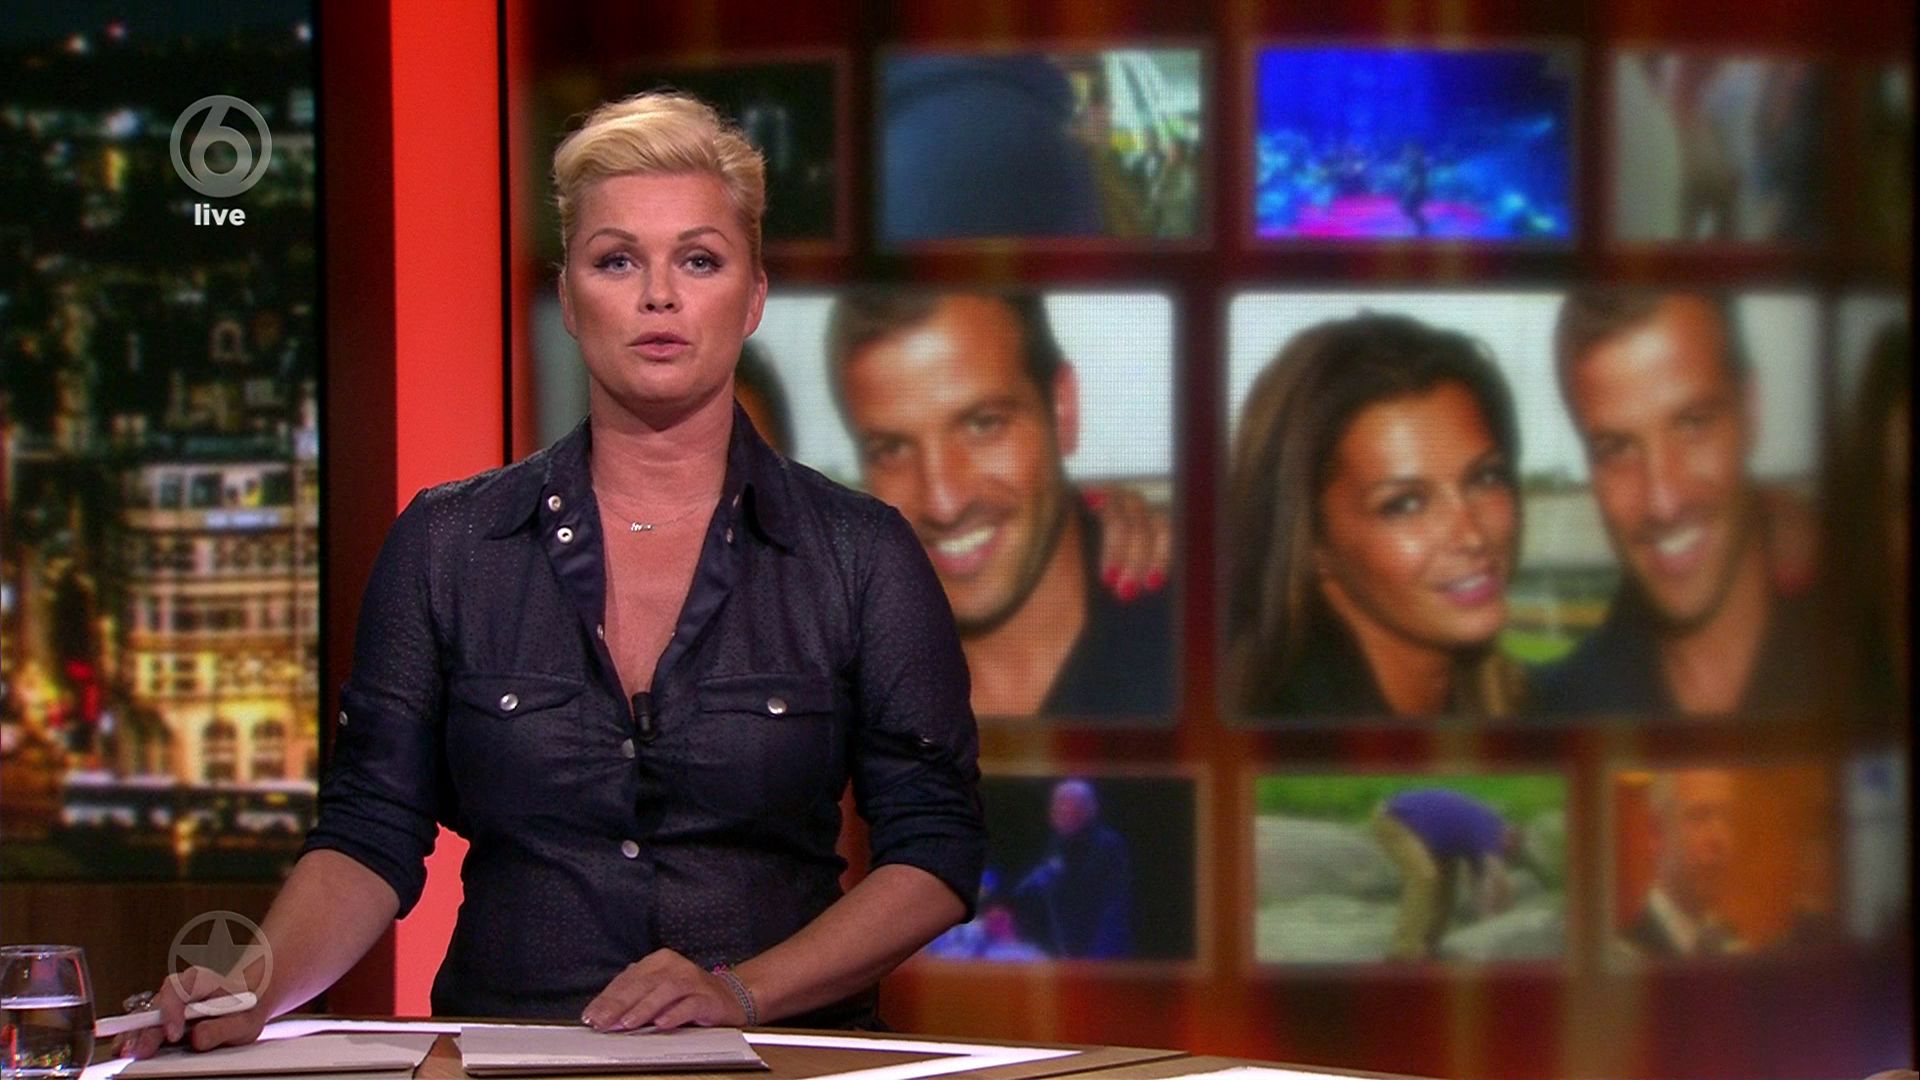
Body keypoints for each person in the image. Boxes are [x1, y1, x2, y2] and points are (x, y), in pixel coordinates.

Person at [117, 92, 985, 1058]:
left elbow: (936, 848)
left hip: (779, 1056)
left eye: (699, 260)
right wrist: (254, 987)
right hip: (504, 1052)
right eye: (618, 261)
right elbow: (370, 829)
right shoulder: (450, 543)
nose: (659, 296)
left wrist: (739, 993)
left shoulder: (859, 553)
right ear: (569, 299)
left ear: (752, 298)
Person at [824, 289, 1175, 719]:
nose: (943, 503)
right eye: (892, 449)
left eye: (983, 424)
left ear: (1063, 410)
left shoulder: (1206, 637)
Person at [1225, 313, 1525, 718]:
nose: (1471, 535)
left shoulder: (1518, 704)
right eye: (1405, 504)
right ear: (1313, 544)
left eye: (1485, 478)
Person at [1534, 288, 1816, 716]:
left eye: (1693, 424)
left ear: (1751, 410)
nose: (1662, 502)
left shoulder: (1872, 655)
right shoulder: (1556, 715)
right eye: (1616, 449)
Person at [1369, 787, 1530, 961]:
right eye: (1507, 854)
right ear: (1510, 837)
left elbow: (1478, 885)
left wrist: (1487, 925)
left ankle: (1430, 946)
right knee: (1424, 876)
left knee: (1446, 889)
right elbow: (1499, 880)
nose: (1504, 858)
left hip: (1434, 837)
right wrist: (1508, 922)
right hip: (1394, 818)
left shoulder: (1479, 838)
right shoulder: (1490, 830)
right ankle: (1403, 952)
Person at [1620, 769, 1746, 959]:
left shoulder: (1735, 947)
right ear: (1656, 832)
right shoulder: (1625, 957)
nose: (1719, 839)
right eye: (1699, 816)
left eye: (1728, 818)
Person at [1009, 779, 1133, 959]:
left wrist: (1099, 955)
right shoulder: (1057, 844)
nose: (1060, 811)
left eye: (1069, 805)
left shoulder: (1108, 845)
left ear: (1089, 810)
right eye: (1057, 805)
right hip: (1064, 948)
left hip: (1100, 950)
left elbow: (1115, 905)